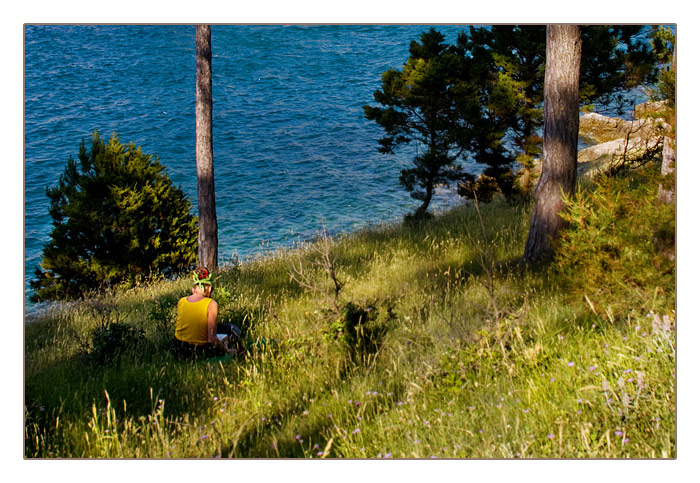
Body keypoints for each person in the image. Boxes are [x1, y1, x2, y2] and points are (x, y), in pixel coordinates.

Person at [173, 267, 233, 359]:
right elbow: (211, 339)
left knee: (223, 337)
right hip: (200, 350)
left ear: (193, 289)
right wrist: (225, 351)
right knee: (228, 332)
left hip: (179, 348)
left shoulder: (181, 301)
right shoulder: (211, 304)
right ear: (209, 289)